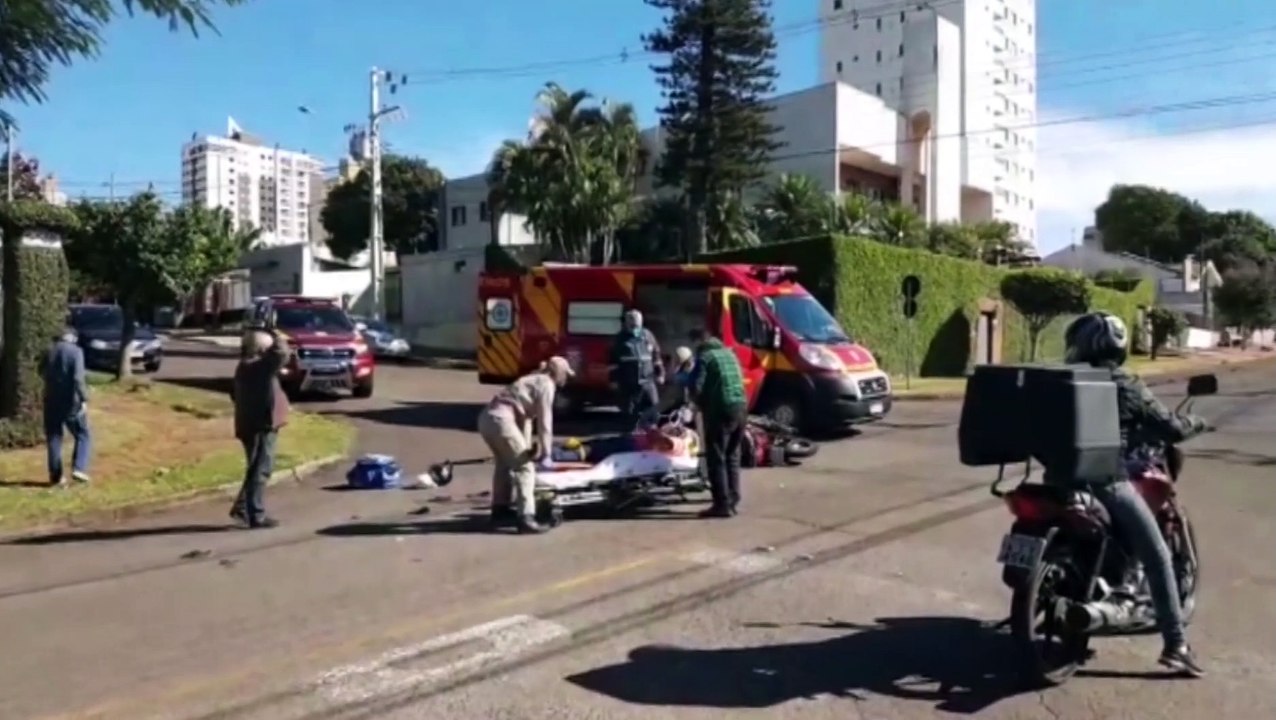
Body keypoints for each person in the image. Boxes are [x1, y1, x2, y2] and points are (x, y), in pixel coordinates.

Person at [1062, 311, 1206, 677]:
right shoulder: (1125, 382)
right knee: (1157, 554)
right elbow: (1168, 425)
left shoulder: (1067, 380)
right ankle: (1177, 645)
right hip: (1107, 479)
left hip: (1061, 477)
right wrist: (1196, 422)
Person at [478, 356, 574, 534]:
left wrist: (528, 448)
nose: (566, 379)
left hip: (487, 418)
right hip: (502, 420)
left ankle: (500, 511)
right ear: (558, 373)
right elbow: (545, 422)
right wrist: (546, 454)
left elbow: (526, 420)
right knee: (525, 468)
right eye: (565, 375)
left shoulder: (532, 379)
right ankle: (526, 518)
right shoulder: (546, 384)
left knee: (504, 464)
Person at [229, 328, 290, 529]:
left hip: (253, 424)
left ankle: (243, 508)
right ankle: (256, 514)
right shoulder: (257, 367)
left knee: (255, 469)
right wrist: (278, 338)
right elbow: (281, 355)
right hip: (260, 426)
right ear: (262, 348)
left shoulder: (245, 367)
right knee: (260, 470)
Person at [688, 328, 747, 518]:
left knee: (717, 457)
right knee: (732, 455)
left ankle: (721, 505)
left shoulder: (705, 357)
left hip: (720, 410)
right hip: (740, 408)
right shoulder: (730, 354)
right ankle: (733, 499)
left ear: (699, 342)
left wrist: (693, 405)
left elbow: (696, 385)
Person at [40, 328, 92, 486]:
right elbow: (78, 378)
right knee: (83, 434)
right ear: (72, 338)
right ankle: (79, 467)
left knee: (54, 438)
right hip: (71, 402)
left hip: (51, 400)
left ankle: (56, 477)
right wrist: (84, 399)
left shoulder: (49, 351)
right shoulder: (76, 352)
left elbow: (41, 371)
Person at [609, 309, 664, 428]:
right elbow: (613, 362)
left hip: (648, 382)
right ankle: (630, 436)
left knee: (654, 409)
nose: (635, 328)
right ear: (627, 324)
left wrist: (660, 374)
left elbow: (656, 356)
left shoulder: (648, 336)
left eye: (637, 325)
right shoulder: (620, 339)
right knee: (629, 413)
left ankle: (651, 433)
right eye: (632, 325)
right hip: (629, 383)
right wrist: (613, 380)